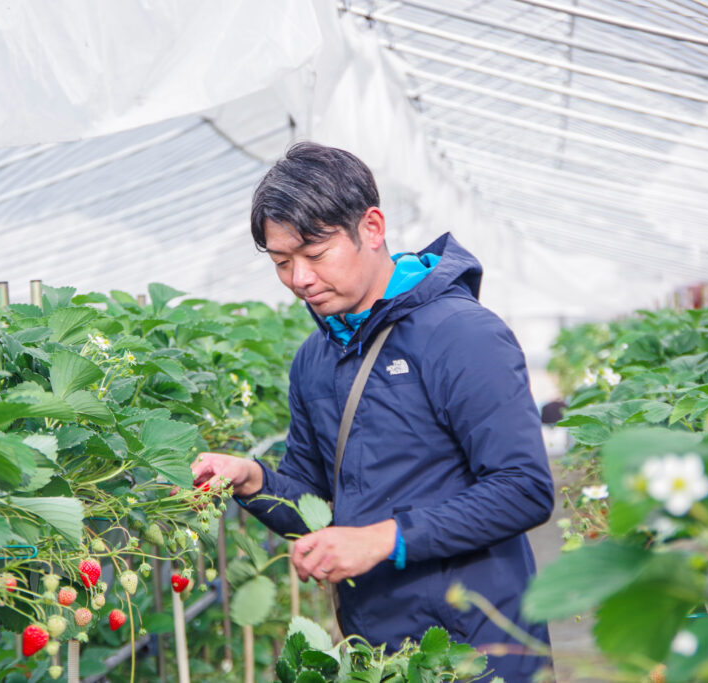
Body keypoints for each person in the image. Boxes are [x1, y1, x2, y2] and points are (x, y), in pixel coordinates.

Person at [191, 142, 554, 682]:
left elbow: (524, 488)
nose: (299, 279)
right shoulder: (314, 360)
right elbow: (314, 506)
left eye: (314, 255)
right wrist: (252, 479)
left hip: (476, 649)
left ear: (373, 228)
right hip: (375, 655)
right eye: (281, 262)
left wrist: (384, 539)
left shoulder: (461, 334)